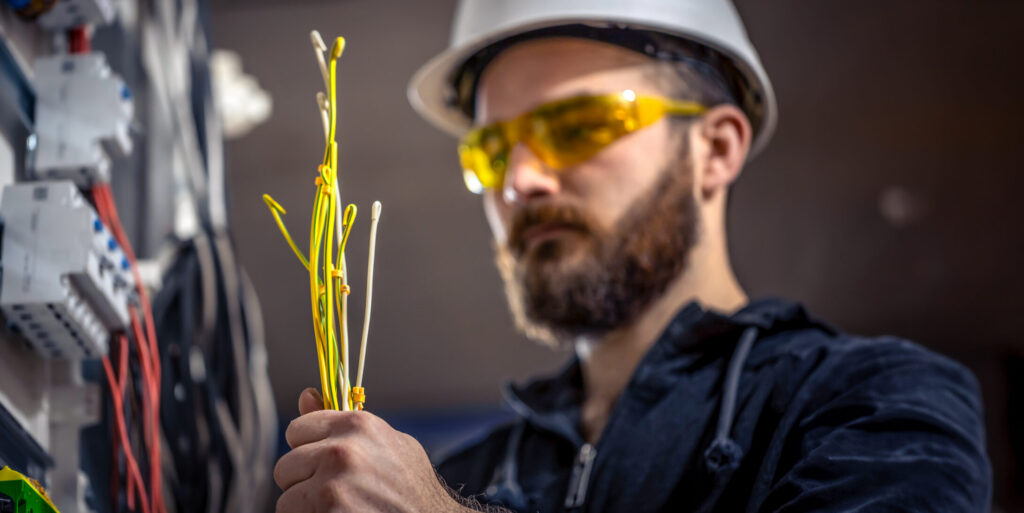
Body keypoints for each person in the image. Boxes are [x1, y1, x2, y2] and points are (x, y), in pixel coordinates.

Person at [271, 1, 992, 511]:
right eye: (490, 150)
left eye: (578, 125)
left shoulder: (872, 405)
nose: (520, 180)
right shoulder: (467, 473)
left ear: (714, 148)